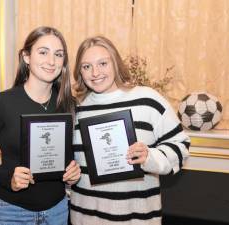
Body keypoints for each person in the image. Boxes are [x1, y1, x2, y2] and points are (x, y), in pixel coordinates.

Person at [0, 26, 81, 225]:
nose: (51, 61)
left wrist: (74, 171)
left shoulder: (69, 104)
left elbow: (69, 156)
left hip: (57, 212)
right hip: (10, 213)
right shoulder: (1, 103)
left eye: (58, 54)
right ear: (26, 56)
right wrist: (7, 177)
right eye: (43, 52)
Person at [70, 36, 190, 225]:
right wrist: (69, 177)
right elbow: (70, 165)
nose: (95, 72)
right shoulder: (75, 109)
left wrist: (149, 157)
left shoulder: (147, 99)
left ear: (115, 63)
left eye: (103, 63)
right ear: (80, 72)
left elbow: (181, 146)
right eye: (86, 67)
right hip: (84, 218)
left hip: (137, 220)